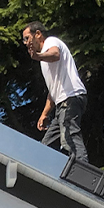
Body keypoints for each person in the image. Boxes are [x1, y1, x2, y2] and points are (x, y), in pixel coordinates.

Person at [22, 22, 88, 162]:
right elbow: (54, 90)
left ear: (38, 34)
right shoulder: (44, 60)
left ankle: (84, 173)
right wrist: (45, 114)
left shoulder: (50, 42)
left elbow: (55, 54)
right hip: (62, 104)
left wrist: (38, 56)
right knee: (47, 145)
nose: (26, 43)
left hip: (70, 98)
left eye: (27, 38)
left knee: (69, 137)